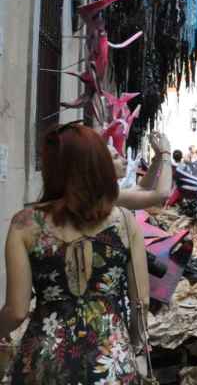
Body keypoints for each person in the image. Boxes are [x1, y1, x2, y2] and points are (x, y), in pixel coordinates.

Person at [0, 122, 152, 384]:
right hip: (111, 363)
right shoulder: (125, 223)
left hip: (44, 364)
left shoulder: (25, 224)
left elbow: (16, 312)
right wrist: (134, 343)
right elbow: (142, 303)